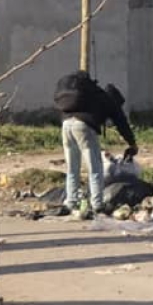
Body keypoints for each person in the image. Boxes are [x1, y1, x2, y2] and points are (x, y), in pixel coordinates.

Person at [53, 70, 138, 217]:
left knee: (72, 167)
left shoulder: (90, 96)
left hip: (66, 125)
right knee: (95, 168)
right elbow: (121, 123)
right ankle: (97, 204)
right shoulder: (109, 101)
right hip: (83, 127)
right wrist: (132, 143)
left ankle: (70, 202)